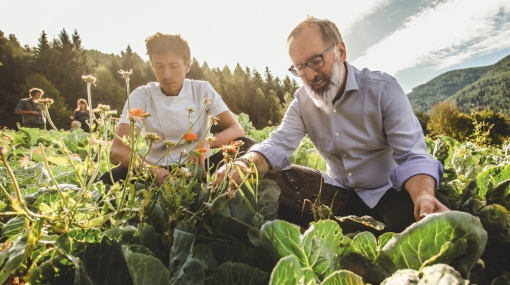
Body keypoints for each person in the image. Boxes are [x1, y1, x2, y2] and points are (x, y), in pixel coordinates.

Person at [215, 17, 450, 233]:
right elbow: (279, 143)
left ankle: (354, 232)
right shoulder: (302, 101)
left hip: (388, 192)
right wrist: (247, 164)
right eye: (300, 68)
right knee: (262, 174)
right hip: (336, 192)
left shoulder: (383, 89)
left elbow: (413, 156)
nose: (309, 75)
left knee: (420, 226)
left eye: (316, 61)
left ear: (340, 51)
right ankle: (348, 229)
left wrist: (423, 195)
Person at [99, 33, 253, 186]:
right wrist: (153, 171)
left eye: (173, 66)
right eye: (159, 66)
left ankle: (216, 188)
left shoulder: (202, 90)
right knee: (111, 177)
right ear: (152, 65)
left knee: (247, 145)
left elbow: (236, 130)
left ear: (187, 65)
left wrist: (204, 144)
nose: (166, 75)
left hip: (200, 166)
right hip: (157, 170)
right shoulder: (142, 95)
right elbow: (117, 151)